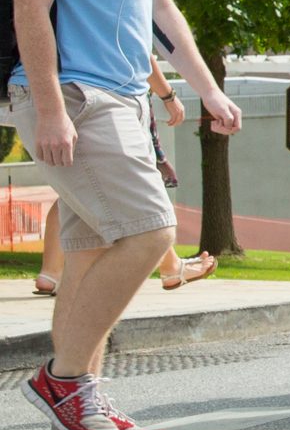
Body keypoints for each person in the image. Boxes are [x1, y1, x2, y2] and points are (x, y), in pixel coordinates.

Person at [9, 0, 245, 430]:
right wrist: (49, 107)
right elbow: (30, 6)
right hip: (75, 95)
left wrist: (206, 88)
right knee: (149, 231)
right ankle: (64, 380)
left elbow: (160, 10)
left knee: (89, 254)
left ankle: (77, 408)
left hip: (119, 96)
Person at [34, 66, 218, 296]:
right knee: (136, 189)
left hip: (68, 95)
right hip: (105, 97)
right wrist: (168, 95)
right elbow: (141, 53)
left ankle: (51, 274)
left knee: (74, 193)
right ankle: (170, 266)